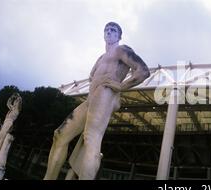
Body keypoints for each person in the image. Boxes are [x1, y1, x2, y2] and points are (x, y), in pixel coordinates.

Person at [43, 22, 150, 180]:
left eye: (113, 30)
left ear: (119, 36)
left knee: (91, 138)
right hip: (91, 98)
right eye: (106, 30)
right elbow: (92, 76)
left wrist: (120, 86)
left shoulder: (122, 50)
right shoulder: (101, 57)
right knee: (60, 134)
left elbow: (143, 71)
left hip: (105, 93)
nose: (109, 32)